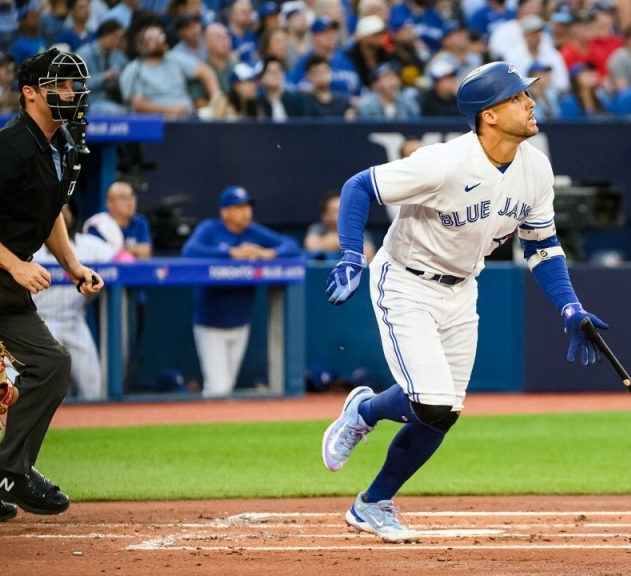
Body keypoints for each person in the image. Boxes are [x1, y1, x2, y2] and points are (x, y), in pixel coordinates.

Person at [320, 61, 608, 543]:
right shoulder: (445, 162)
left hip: (462, 288)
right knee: (430, 403)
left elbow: (541, 247)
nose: (530, 102)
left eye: (526, 94)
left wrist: (570, 307)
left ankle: (372, 503)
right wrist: (352, 254)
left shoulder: (535, 167)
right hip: (406, 281)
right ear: (489, 115)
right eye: (517, 97)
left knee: (445, 412)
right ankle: (365, 413)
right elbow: (358, 186)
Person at [0, 49, 104, 520]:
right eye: (61, 86)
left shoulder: (63, 144)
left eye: (75, 85)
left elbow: (50, 216)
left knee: (52, 365)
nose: (72, 94)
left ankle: (11, 475)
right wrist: (16, 265)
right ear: (30, 94)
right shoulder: (6, 147)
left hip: (5, 288)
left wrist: (73, 265)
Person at [181, 186, 302, 397]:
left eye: (247, 206)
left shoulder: (252, 232)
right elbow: (189, 251)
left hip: (240, 323)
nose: (246, 212)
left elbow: (292, 246)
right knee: (217, 388)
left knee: (226, 386)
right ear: (224, 211)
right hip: (210, 323)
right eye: (239, 207)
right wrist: (230, 252)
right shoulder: (210, 228)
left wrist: (267, 253)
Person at [33, 205, 130, 400]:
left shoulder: (87, 244)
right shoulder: (31, 246)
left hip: (74, 321)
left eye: (66, 210)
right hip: (40, 322)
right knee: (43, 389)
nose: (62, 214)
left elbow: (124, 260)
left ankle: (94, 425)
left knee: (93, 384)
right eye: (58, 209)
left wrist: (130, 251)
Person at [84, 180, 152, 258]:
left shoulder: (140, 222)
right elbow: (102, 257)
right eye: (124, 198)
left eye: (132, 196)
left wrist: (119, 251)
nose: (130, 202)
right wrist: (133, 250)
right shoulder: (97, 226)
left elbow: (145, 254)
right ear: (109, 203)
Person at [304, 191, 376, 261]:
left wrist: (331, 242)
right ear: (325, 216)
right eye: (336, 210)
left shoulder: (360, 231)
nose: (343, 213)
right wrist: (351, 245)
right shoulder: (317, 228)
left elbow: (368, 254)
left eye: (345, 208)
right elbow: (312, 246)